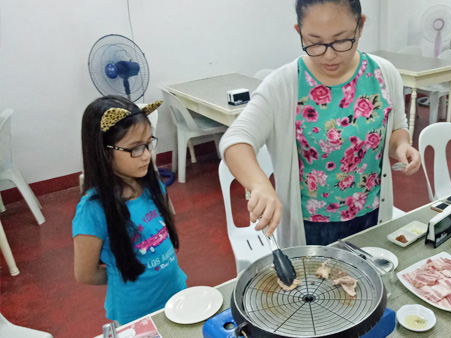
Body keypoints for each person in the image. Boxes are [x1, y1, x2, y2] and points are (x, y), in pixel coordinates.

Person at [220, 0, 421, 247]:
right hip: (311, 225)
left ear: (361, 26)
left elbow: (396, 128)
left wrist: (401, 147)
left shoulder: (383, 73)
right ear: (299, 33)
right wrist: (261, 185)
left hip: (372, 213)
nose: (329, 54)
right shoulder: (284, 84)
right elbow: (236, 140)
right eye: (314, 42)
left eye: (341, 40)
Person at [72, 96, 187, 324]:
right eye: (135, 149)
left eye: (148, 143)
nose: (147, 155)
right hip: (135, 314)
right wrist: (124, 271)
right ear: (104, 152)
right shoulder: (92, 210)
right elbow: (85, 273)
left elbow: (165, 225)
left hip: (177, 295)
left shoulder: (150, 184)